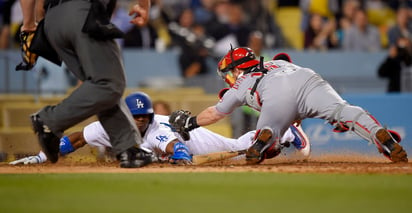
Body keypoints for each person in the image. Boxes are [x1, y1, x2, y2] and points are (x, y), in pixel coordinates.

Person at [168, 46, 408, 165]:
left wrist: (191, 122)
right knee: (342, 111)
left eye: (229, 72)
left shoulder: (242, 82)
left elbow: (215, 113)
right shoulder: (276, 62)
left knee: (269, 130)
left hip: (273, 92)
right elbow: (294, 91)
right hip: (308, 78)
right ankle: (380, 135)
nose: (229, 77)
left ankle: (264, 139)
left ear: (238, 68)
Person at [17, 0, 152, 168]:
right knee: (109, 83)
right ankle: (49, 120)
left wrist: (29, 24)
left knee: (99, 85)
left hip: (52, 21)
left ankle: (127, 149)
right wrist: (144, 5)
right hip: (83, 13)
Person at [9, 92, 311, 165]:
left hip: (192, 140)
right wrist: (39, 157)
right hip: (179, 143)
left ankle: (285, 130)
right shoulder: (109, 126)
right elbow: (74, 140)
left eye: (145, 116)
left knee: (236, 149)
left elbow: (175, 148)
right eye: (136, 117)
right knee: (243, 151)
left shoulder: (156, 127)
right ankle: (281, 135)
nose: (141, 121)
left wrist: (179, 158)